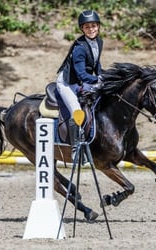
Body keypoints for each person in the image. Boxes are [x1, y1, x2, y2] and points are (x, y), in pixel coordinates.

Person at [56, 10, 104, 160]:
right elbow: (82, 75)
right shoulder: (79, 48)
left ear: (98, 26)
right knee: (77, 112)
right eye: (87, 27)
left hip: (80, 80)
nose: (91, 29)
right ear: (82, 29)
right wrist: (98, 80)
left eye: (94, 26)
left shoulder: (99, 41)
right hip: (67, 83)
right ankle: (76, 147)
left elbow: (96, 65)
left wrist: (104, 76)